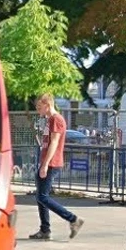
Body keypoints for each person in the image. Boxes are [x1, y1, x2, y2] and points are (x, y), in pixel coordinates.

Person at [29, 94, 85, 240]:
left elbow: (54, 143)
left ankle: (73, 219)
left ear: (47, 105)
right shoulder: (49, 120)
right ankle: (45, 229)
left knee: (42, 197)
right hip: (46, 162)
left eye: (39, 107)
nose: (38, 110)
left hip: (51, 163)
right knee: (40, 197)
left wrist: (45, 165)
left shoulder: (56, 119)